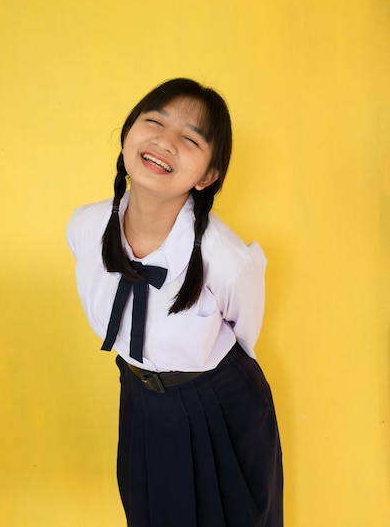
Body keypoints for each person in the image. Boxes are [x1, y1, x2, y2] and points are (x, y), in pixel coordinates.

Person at [67, 78, 283, 527]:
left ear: (208, 175)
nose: (165, 142)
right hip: (139, 400)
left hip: (219, 403)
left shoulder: (225, 259)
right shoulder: (86, 227)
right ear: (128, 133)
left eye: (190, 138)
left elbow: (246, 331)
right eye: (154, 122)